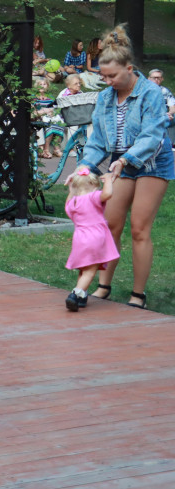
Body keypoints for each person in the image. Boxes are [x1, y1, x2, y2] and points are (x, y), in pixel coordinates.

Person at [75, 25, 173, 310]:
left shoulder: (150, 93)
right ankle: (104, 286)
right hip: (121, 164)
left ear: (129, 69)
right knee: (110, 225)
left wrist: (125, 160)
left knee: (139, 228)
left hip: (152, 162)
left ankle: (138, 295)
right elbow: (98, 141)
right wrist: (83, 168)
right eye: (103, 76)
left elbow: (152, 135)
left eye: (112, 76)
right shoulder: (105, 97)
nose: (107, 82)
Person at [62, 170, 119, 311]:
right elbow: (107, 194)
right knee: (90, 270)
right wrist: (108, 181)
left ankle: (82, 297)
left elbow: (67, 204)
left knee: (83, 268)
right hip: (95, 238)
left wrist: (71, 190)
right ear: (94, 186)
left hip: (79, 239)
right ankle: (76, 294)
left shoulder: (73, 203)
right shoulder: (93, 197)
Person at [33, 77, 64, 159]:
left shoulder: (50, 98)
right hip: (39, 118)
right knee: (49, 125)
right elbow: (34, 111)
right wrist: (44, 112)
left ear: (47, 86)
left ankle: (56, 148)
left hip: (49, 118)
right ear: (37, 86)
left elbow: (54, 109)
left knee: (58, 123)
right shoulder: (34, 98)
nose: (42, 86)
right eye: (40, 84)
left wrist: (51, 112)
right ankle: (46, 149)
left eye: (44, 84)